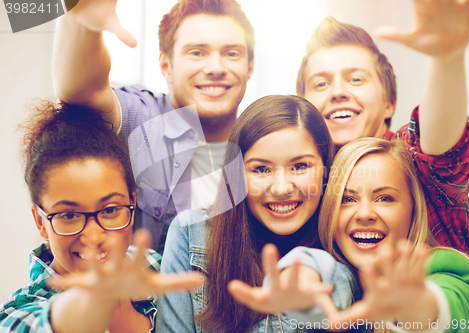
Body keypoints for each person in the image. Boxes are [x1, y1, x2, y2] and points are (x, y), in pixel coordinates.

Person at [229, 138, 469, 333]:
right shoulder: (339, 277)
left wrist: (421, 309)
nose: (365, 213)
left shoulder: (447, 268)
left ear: (414, 209)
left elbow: (453, 304)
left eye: (384, 198)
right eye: (348, 199)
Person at [52, 0, 255, 254]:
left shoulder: (261, 144)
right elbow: (84, 90)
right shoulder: (145, 120)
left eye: (231, 53)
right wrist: (79, 24)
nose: (215, 68)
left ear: (250, 67)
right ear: (166, 67)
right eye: (196, 52)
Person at [296, 0, 469, 258]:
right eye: (321, 84)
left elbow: (440, 149)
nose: (338, 92)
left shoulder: (410, 158)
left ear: (389, 103)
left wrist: (447, 58)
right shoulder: (302, 177)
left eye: (356, 79)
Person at [155, 95, 360, 333]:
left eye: (300, 166)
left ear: (326, 170)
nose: (281, 188)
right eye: (261, 169)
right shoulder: (190, 234)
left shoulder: (344, 248)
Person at [0, 100, 203, 333]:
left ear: (132, 204)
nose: (94, 236)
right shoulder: (17, 314)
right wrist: (88, 305)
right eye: (69, 215)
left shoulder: (154, 266)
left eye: (109, 210)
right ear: (40, 222)